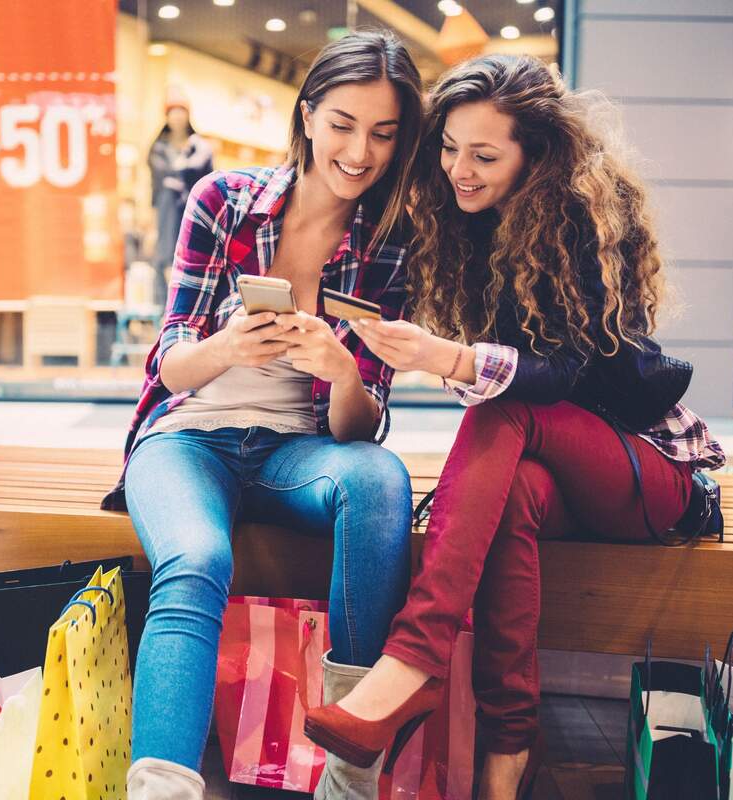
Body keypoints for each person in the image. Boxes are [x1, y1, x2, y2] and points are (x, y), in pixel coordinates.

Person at [303, 55, 726, 800]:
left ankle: (411, 664)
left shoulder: (574, 216)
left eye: (484, 155)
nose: (459, 169)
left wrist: (452, 357)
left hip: (650, 477)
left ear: (535, 153)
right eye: (448, 147)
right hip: (558, 475)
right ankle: (506, 760)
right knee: (510, 502)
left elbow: (559, 378)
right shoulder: (474, 226)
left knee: (507, 410)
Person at [105, 31, 424, 800]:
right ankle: (163, 790)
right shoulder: (222, 202)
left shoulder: (394, 244)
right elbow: (169, 364)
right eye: (343, 124)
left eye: (384, 133)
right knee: (197, 559)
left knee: (380, 479)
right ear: (308, 115)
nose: (360, 151)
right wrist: (229, 347)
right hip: (187, 441)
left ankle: (349, 775)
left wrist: (343, 369)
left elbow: (359, 431)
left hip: (296, 455)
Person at [147, 91, 213, 306]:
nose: (177, 117)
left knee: (195, 258)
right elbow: (156, 190)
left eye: (181, 111)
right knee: (165, 259)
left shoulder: (200, 148)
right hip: (167, 216)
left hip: (194, 213)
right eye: (172, 112)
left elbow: (209, 184)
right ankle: (166, 310)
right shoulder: (158, 149)